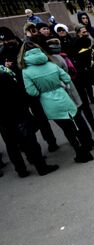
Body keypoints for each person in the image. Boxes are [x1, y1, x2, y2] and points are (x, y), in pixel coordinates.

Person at [20, 42, 94, 163]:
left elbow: (32, 92)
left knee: (66, 128)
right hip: (63, 96)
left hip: (48, 102)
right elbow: (67, 79)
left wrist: (43, 90)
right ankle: (86, 149)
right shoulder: (51, 64)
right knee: (74, 123)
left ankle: (79, 151)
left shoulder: (26, 71)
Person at [0, 48, 59, 177]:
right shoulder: (4, 74)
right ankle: (40, 166)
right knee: (29, 140)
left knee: (11, 144)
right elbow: (17, 93)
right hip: (17, 113)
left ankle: (21, 170)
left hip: (4, 118)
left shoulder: (4, 72)